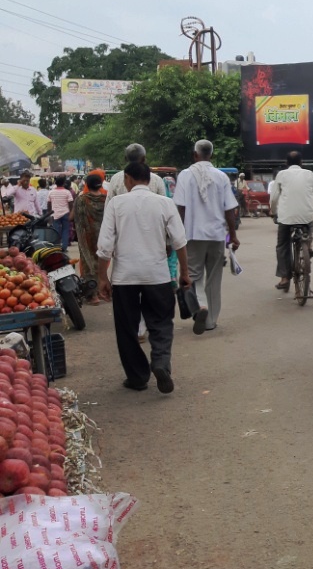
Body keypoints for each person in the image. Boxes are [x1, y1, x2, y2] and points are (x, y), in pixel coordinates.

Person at [96, 162, 191, 394]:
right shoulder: (165, 203)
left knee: (126, 328)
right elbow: (179, 242)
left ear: (127, 179)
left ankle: (137, 377)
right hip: (157, 274)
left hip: (124, 277)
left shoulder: (117, 203)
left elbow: (105, 246)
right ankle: (160, 362)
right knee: (161, 322)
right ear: (149, 179)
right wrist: (185, 273)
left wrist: (101, 278)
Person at [174, 140, 240, 335]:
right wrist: (233, 236)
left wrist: (177, 234)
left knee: (192, 276)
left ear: (195, 155)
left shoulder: (185, 176)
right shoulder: (221, 177)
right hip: (217, 234)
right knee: (214, 277)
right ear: (210, 155)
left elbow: (181, 207)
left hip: (193, 234)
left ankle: (200, 307)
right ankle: (210, 321)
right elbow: (230, 209)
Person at [269, 151, 313, 291]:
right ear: (301, 162)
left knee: (282, 245)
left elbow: (273, 199)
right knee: (309, 223)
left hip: (286, 218)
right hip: (306, 216)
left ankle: (285, 278)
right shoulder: (309, 174)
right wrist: (312, 210)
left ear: (286, 163)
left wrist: (273, 211)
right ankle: (308, 245)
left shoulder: (281, 175)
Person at [74, 174, 107, 303]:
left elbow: (76, 219)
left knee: (89, 263)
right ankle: (103, 290)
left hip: (87, 236)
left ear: (87, 184)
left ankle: (92, 295)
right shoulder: (106, 199)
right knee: (102, 261)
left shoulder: (81, 200)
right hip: (104, 236)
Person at [48, 176, 75, 252]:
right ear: (63, 183)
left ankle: (57, 246)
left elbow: (49, 204)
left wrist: (49, 214)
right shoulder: (67, 192)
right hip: (65, 213)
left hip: (55, 214)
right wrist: (71, 214)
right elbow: (71, 204)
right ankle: (64, 247)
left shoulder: (51, 192)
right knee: (65, 230)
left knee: (56, 231)